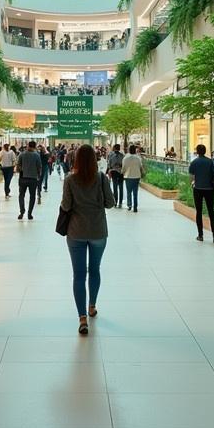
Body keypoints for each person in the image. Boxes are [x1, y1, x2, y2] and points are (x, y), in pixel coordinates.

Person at [60, 144, 115, 334]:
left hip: (76, 232)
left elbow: (66, 206)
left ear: (75, 159)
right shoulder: (100, 178)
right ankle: (92, 305)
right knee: (94, 270)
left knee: (79, 274)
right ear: (94, 159)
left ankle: (82, 318)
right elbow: (111, 203)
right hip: (98, 230)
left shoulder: (70, 179)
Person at [188, 144, 214, 243]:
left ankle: (200, 235)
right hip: (210, 189)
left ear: (197, 152)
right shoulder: (210, 162)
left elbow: (191, 177)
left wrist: (193, 183)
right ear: (205, 151)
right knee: (211, 211)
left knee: (199, 212)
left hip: (198, 189)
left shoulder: (194, 162)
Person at [17, 140, 42, 219]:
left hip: (23, 178)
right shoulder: (37, 155)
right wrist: (38, 175)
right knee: (32, 196)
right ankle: (29, 213)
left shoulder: (22, 154)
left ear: (28, 145)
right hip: (33, 179)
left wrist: (23, 170)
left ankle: (22, 211)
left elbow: (18, 167)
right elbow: (39, 167)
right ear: (34, 147)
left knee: (21, 195)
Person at [121, 144, 145, 212]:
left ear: (129, 150)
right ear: (135, 150)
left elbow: (123, 168)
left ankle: (129, 205)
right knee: (135, 192)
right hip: (136, 176)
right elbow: (141, 167)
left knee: (128, 192)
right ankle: (135, 206)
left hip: (128, 176)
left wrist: (122, 172)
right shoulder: (138, 158)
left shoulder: (125, 158)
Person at [107, 143, 124, 207]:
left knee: (115, 187)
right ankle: (120, 203)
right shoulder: (122, 155)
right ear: (119, 148)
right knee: (121, 187)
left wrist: (110, 170)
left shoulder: (111, 155)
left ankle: (115, 202)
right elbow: (123, 164)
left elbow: (109, 164)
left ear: (114, 148)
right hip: (121, 173)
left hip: (114, 172)